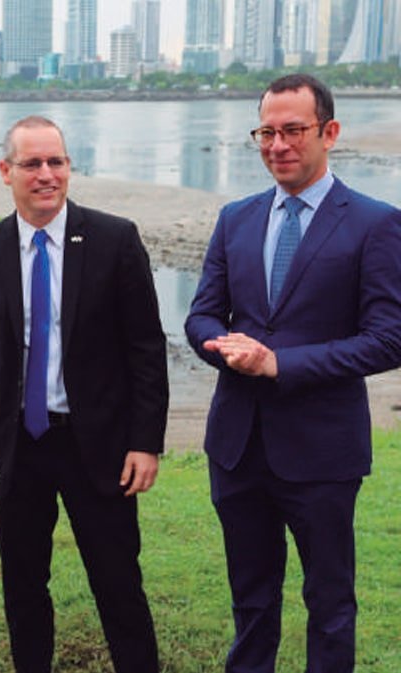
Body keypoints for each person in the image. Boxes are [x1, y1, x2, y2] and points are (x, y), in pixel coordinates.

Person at [0, 115, 168, 673]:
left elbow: (145, 349)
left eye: (56, 162)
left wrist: (145, 441)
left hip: (101, 447)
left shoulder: (115, 239)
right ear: (5, 171)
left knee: (118, 585)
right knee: (24, 588)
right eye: (32, 164)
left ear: (68, 168)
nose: (46, 175)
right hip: (17, 448)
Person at [185, 73, 401, 672]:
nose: (277, 145)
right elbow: (202, 313)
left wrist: (281, 363)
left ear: (329, 133)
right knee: (251, 601)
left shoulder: (374, 222)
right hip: (237, 445)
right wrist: (223, 347)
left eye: (293, 131)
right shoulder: (236, 218)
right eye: (266, 132)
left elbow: (388, 339)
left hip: (323, 452)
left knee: (329, 603)